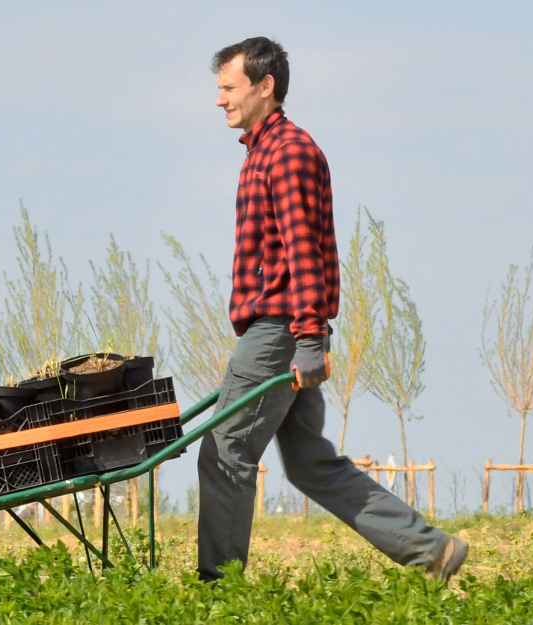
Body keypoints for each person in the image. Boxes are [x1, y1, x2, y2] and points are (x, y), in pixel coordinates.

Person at [197, 36, 469, 583]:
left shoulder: (288, 153)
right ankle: (431, 550)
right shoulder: (261, 154)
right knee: (309, 462)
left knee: (225, 452)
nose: (219, 100)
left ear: (264, 85)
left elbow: (304, 252)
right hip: (282, 329)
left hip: (278, 329)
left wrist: (307, 339)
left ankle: (217, 592)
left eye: (228, 88)